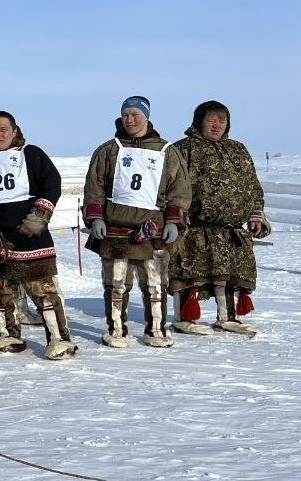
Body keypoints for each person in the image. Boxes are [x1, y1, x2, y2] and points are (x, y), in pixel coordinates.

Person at [0, 112, 75, 359]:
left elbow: (51, 183)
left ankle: (59, 338)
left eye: (3, 130)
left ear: (14, 132)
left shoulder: (31, 154)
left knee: (43, 291)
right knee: (0, 292)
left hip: (30, 236)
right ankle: (9, 335)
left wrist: (38, 217)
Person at [84, 96, 190, 348]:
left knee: (155, 285)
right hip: (115, 229)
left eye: (135, 115)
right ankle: (116, 330)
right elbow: (94, 185)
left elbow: (179, 188)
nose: (130, 120)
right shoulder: (108, 150)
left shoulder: (167, 151)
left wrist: (174, 220)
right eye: (125, 115)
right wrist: (95, 216)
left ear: (147, 116)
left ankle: (156, 329)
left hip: (153, 229)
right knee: (116, 284)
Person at [167, 101, 270, 335]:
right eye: (211, 120)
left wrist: (256, 214)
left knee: (230, 274)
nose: (217, 125)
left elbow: (253, 187)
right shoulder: (182, 149)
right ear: (199, 121)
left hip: (232, 228)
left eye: (222, 120)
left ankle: (227, 318)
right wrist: (176, 215)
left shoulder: (238, 150)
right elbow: (169, 186)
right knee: (190, 274)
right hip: (195, 227)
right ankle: (185, 319)